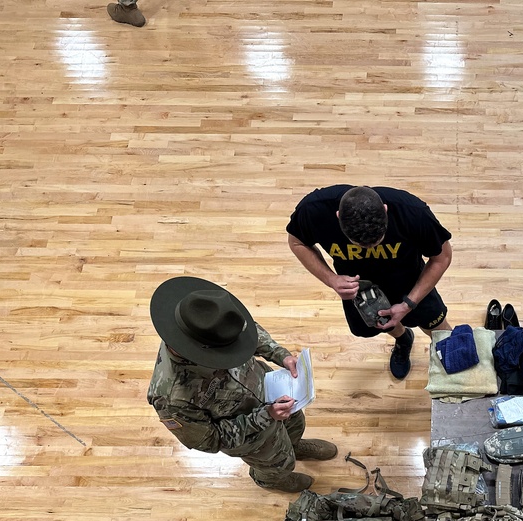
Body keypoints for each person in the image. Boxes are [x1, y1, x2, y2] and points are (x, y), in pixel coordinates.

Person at [147, 277, 338, 493]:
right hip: (251, 436)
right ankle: (273, 479)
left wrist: (280, 355)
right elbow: (210, 440)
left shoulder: (213, 322)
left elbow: (246, 333)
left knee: (295, 424)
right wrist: (266, 416)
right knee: (276, 464)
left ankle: (293, 446)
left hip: (273, 390)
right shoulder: (172, 397)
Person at [286, 185, 453, 380]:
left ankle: (453, 360)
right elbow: (297, 242)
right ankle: (403, 339)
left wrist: (409, 304)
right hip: (361, 288)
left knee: (438, 327)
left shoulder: (412, 211)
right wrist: (331, 279)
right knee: (381, 323)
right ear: (337, 216)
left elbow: (442, 258)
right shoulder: (313, 209)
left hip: (410, 280)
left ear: (385, 209)